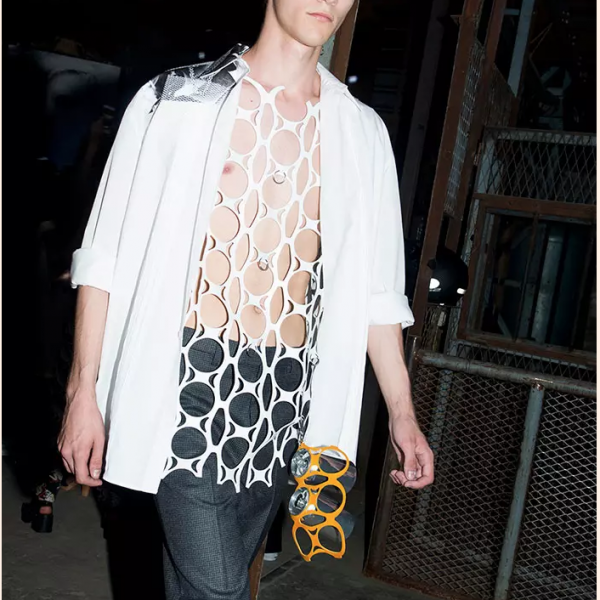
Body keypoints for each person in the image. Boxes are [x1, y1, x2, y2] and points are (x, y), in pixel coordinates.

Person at [59, 1, 435, 598]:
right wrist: (84, 391)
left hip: (288, 393)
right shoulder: (177, 100)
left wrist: (403, 414)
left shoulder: (361, 134)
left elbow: (377, 296)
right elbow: (104, 259)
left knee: (209, 580)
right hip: (187, 380)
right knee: (220, 590)